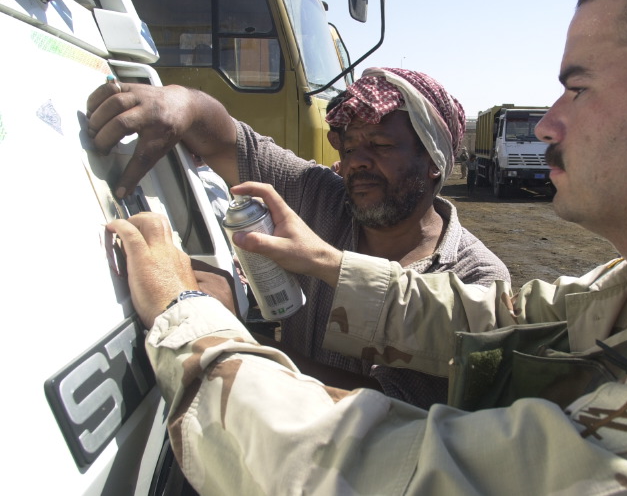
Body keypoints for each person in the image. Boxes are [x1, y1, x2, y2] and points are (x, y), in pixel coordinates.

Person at [107, 0, 627, 493]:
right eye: (348, 144)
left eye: (578, 88)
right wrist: (323, 260)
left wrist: (188, 320)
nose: (550, 125)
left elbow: (387, 471)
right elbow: (496, 321)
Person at [88, 67, 510, 408]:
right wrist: (183, 102)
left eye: (380, 145)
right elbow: (225, 139)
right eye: (347, 147)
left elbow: (390, 410)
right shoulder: (320, 196)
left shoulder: (476, 279)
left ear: (434, 161)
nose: (355, 163)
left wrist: (225, 332)